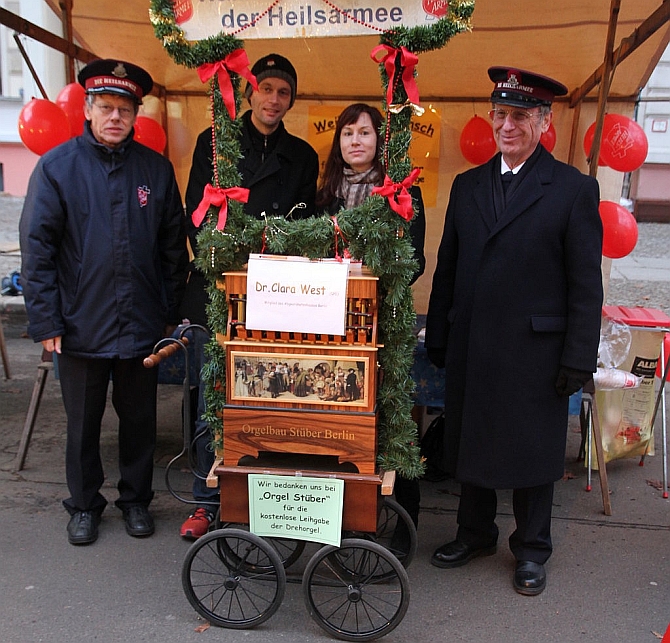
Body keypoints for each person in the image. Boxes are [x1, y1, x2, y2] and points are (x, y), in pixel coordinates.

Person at [424, 66, 603, 595]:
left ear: (543, 122)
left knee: (532, 453)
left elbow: (585, 286)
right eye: (500, 114)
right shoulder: (468, 185)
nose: (506, 125)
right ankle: (475, 533)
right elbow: (448, 268)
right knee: (473, 442)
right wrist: (440, 334)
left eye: (519, 116)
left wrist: (579, 357)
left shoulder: (573, 189)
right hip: (475, 342)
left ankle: (531, 549)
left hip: (536, 351)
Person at [19, 59, 188, 546]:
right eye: (106, 107)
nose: (115, 117)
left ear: (136, 114)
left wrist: (168, 312)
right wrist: (46, 320)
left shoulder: (155, 170)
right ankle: (84, 505)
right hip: (79, 322)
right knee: (82, 424)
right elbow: (37, 249)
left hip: (142, 322)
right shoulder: (57, 168)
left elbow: (173, 249)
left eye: (125, 109)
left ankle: (135, 501)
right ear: (88, 110)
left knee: (139, 420)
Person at [180, 53, 319, 539]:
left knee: (266, 396)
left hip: (274, 295)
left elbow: (303, 228)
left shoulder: (303, 155)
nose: (273, 100)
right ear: (248, 92)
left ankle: (259, 500)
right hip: (218, 291)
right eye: (266, 89)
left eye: (283, 92)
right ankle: (204, 500)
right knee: (212, 397)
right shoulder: (214, 142)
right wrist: (227, 266)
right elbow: (196, 215)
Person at [316, 102, 426, 553]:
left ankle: (402, 525)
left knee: (390, 422)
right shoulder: (324, 195)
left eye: (364, 132)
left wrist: (368, 280)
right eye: (347, 133)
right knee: (342, 422)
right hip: (330, 326)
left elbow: (414, 259)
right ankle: (344, 523)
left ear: (380, 140)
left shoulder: (400, 191)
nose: (355, 141)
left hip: (384, 323)